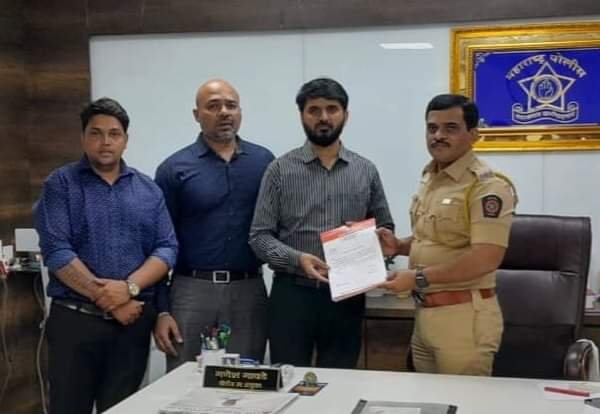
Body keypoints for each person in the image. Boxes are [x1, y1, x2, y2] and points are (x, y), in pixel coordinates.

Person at [34, 97, 178, 413]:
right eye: (96, 133)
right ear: (83, 138)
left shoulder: (148, 189)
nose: (105, 142)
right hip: (75, 322)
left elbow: (167, 248)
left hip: (132, 325)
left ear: (126, 139)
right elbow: (57, 251)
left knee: (123, 409)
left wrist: (128, 289)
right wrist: (112, 301)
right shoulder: (60, 184)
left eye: (114, 134)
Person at [249, 77, 394, 368]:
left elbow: (386, 228)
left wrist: (380, 242)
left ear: (345, 115)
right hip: (292, 294)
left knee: (342, 381)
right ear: (302, 115)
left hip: (347, 297)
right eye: (314, 110)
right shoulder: (279, 170)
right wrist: (297, 259)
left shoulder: (365, 170)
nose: (323, 117)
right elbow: (259, 237)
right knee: (288, 379)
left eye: (332, 109)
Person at [378, 93, 516, 376]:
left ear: (473, 135)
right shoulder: (431, 178)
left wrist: (417, 278)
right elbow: (436, 239)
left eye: (450, 128)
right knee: (426, 399)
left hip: (463, 320)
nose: (438, 136)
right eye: (432, 128)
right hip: (425, 317)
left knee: (463, 399)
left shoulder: (487, 187)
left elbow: (486, 257)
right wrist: (399, 246)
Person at [153, 79, 274, 370]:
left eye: (231, 105)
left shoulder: (265, 162)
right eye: (213, 106)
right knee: (184, 380)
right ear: (197, 114)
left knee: (245, 381)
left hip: (248, 290)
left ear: (240, 112)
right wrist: (161, 310)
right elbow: (158, 244)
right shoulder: (174, 168)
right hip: (191, 290)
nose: (224, 112)